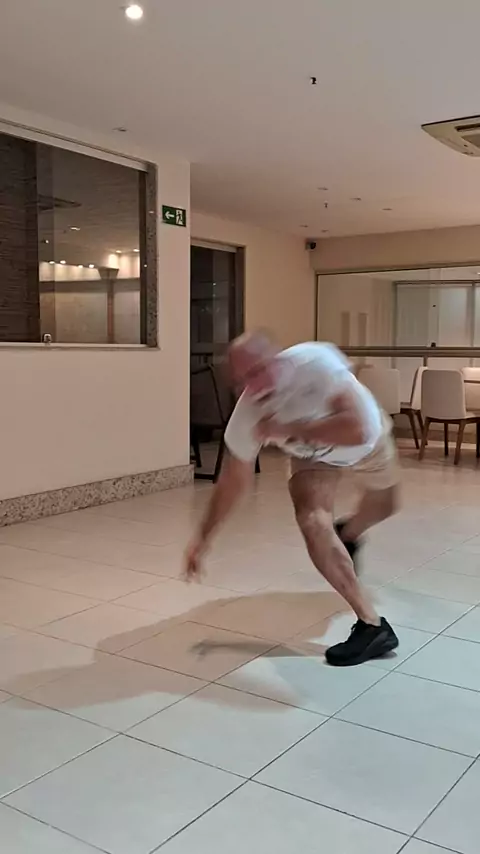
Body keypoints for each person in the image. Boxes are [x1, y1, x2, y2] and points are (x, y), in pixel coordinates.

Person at [184, 331, 399, 666]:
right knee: (312, 521)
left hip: (367, 444)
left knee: (386, 506)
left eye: (258, 372)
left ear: (277, 359)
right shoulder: (249, 411)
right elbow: (232, 482)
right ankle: (372, 625)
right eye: (243, 380)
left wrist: (290, 429)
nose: (252, 387)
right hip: (313, 458)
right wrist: (202, 540)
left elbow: (356, 428)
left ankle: (348, 535)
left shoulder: (316, 363)